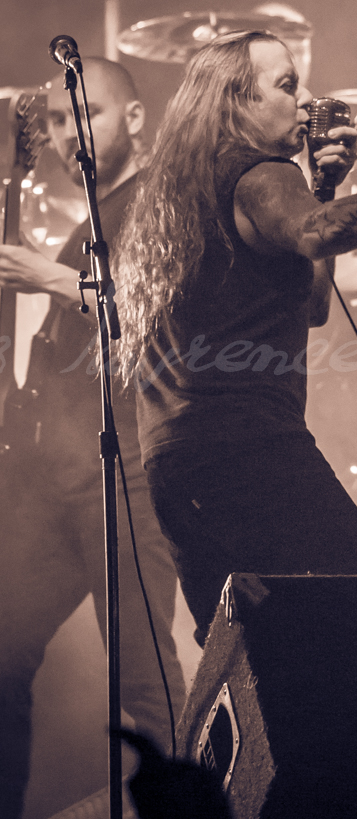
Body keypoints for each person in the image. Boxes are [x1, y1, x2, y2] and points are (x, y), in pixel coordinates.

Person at [113, 29, 357, 648]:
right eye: (287, 85)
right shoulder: (256, 170)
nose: (306, 101)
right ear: (238, 101)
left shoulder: (182, 190)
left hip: (175, 468)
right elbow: (319, 232)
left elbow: (314, 307)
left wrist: (322, 189)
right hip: (249, 450)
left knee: (257, 651)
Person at [0, 57, 187, 819]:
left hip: (126, 473)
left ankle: (193, 807)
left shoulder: (160, 203)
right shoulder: (89, 221)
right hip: (56, 478)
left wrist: (47, 277)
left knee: (146, 678)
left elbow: (149, 310)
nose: (65, 133)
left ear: (134, 119)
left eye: (85, 114)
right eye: (53, 121)